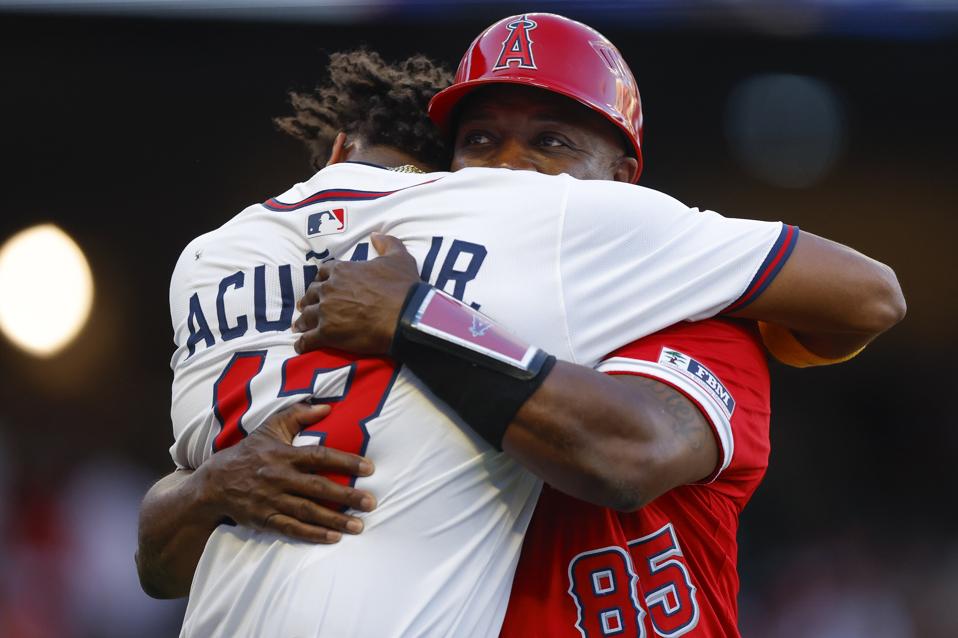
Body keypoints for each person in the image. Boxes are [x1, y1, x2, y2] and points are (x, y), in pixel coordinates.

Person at [138, 26, 902, 638]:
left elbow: (628, 455)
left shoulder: (700, 319)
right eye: (479, 144)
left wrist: (420, 322)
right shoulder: (426, 290)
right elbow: (166, 558)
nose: (509, 169)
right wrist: (210, 485)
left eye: (551, 142)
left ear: (622, 179)